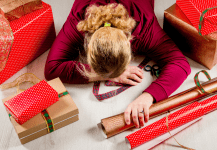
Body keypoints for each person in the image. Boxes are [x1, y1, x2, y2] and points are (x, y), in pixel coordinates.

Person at [44, 0, 191, 128]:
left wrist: (148, 97)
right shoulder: (78, 23)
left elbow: (179, 63)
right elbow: (52, 68)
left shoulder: (146, 28)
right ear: (88, 45)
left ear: (129, 43)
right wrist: (104, 74)